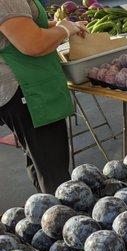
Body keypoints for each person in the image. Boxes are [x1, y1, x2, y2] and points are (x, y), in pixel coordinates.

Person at [0, 0, 87, 194]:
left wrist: (64, 26)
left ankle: (45, 210)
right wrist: (64, 30)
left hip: (31, 88)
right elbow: (33, 43)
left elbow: (28, 26)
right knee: (52, 170)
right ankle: (59, 217)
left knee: (41, 161)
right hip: (27, 91)